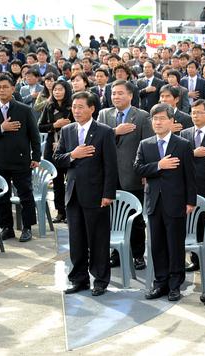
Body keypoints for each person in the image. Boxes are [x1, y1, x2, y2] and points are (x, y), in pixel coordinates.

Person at [53, 91, 118, 296]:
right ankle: (78, 279)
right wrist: (73, 154)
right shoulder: (67, 131)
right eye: (74, 107)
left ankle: (100, 280)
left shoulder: (104, 132)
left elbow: (110, 166)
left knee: (98, 240)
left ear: (92, 108)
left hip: (96, 194)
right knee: (76, 239)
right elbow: (56, 158)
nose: (77, 110)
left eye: (81, 107)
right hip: (73, 194)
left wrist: (108, 194)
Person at [134, 103, 197, 301]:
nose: (158, 122)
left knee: (175, 244)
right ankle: (160, 282)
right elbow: (138, 169)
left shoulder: (183, 144)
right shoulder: (146, 144)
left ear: (172, 121)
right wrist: (158, 166)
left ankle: (175, 284)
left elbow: (190, 176)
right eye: (155, 119)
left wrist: (190, 201)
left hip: (176, 202)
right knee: (157, 244)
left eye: (162, 118)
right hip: (154, 202)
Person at [97, 80, 154, 271]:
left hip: (133, 174)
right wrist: (114, 131)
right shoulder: (104, 114)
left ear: (130, 95)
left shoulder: (142, 116)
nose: (116, 97)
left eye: (120, 93)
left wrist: (146, 172)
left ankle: (138, 255)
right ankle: (116, 253)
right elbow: (96, 140)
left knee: (136, 218)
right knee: (112, 216)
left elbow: (147, 145)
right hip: (109, 176)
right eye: (113, 93)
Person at [0, 74, 41, 242]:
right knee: (1, 196)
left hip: (20, 159)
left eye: (5, 87)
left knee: (25, 194)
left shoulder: (23, 109)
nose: (1, 90)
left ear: (13, 89)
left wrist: (36, 156)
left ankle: (27, 227)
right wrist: (1, 127)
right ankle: (6, 227)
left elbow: (34, 135)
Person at [180, 99, 205, 273]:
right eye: (193, 112)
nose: (195, 115)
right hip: (188, 185)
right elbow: (179, 159)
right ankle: (195, 259)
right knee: (192, 223)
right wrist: (192, 153)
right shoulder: (184, 134)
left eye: (199, 112)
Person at [38, 80, 74, 223]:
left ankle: (71, 211)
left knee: (71, 181)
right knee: (57, 181)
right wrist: (54, 125)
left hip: (70, 147)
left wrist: (69, 125)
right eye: (55, 90)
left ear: (66, 90)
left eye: (60, 89)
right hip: (52, 148)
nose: (57, 92)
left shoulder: (72, 106)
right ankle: (60, 212)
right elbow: (40, 126)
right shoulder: (49, 106)